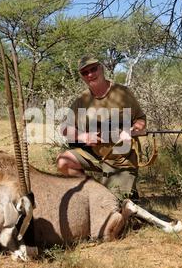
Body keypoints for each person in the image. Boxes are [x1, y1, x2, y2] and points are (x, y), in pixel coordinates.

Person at [56, 55, 147, 201]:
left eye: (93, 69)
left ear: (101, 68)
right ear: (82, 77)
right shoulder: (81, 100)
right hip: (96, 156)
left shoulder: (123, 93)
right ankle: (92, 190)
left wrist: (131, 130)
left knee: (114, 205)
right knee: (63, 162)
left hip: (121, 159)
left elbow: (140, 119)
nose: (90, 75)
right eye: (85, 73)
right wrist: (83, 137)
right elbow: (65, 129)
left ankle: (125, 192)